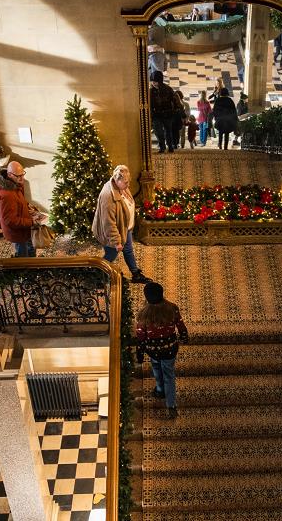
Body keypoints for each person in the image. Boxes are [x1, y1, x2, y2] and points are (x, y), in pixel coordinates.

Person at [136, 282, 187, 420]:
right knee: (169, 375)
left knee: (156, 368)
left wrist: (140, 352)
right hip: (169, 349)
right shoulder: (172, 308)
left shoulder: (143, 314)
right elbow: (180, 324)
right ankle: (171, 405)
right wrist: (183, 336)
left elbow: (141, 335)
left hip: (153, 350)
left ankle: (159, 390)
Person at [92, 165, 150, 283]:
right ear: (117, 180)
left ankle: (135, 274)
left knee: (128, 249)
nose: (128, 185)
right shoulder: (108, 196)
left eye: (128, 182)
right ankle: (97, 278)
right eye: (125, 182)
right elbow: (108, 223)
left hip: (124, 228)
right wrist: (116, 241)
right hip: (113, 233)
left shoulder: (121, 187)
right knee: (111, 255)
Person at [0, 161, 44, 257]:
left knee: (31, 250)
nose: (22, 178)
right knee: (23, 257)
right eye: (18, 176)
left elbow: (19, 201)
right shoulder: (7, 195)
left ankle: (33, 264)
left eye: (23, 174)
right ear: (9, 175)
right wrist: (31, 222)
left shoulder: (14, 183)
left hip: (24, 228)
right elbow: (10, 220)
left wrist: (28, 206)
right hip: (18, 234)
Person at [149, 70, 179, 153]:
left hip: (167, 113)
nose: (153, 83)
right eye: (152, 81)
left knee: (168, 131)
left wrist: (175, 110)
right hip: (156, 114)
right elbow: (149, 104)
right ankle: (162, 146)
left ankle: (170, 146)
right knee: (158, 131)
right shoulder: (151, 91)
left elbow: (175, 100)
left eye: (155, 81)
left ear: (160, 81)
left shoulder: (168, 89)